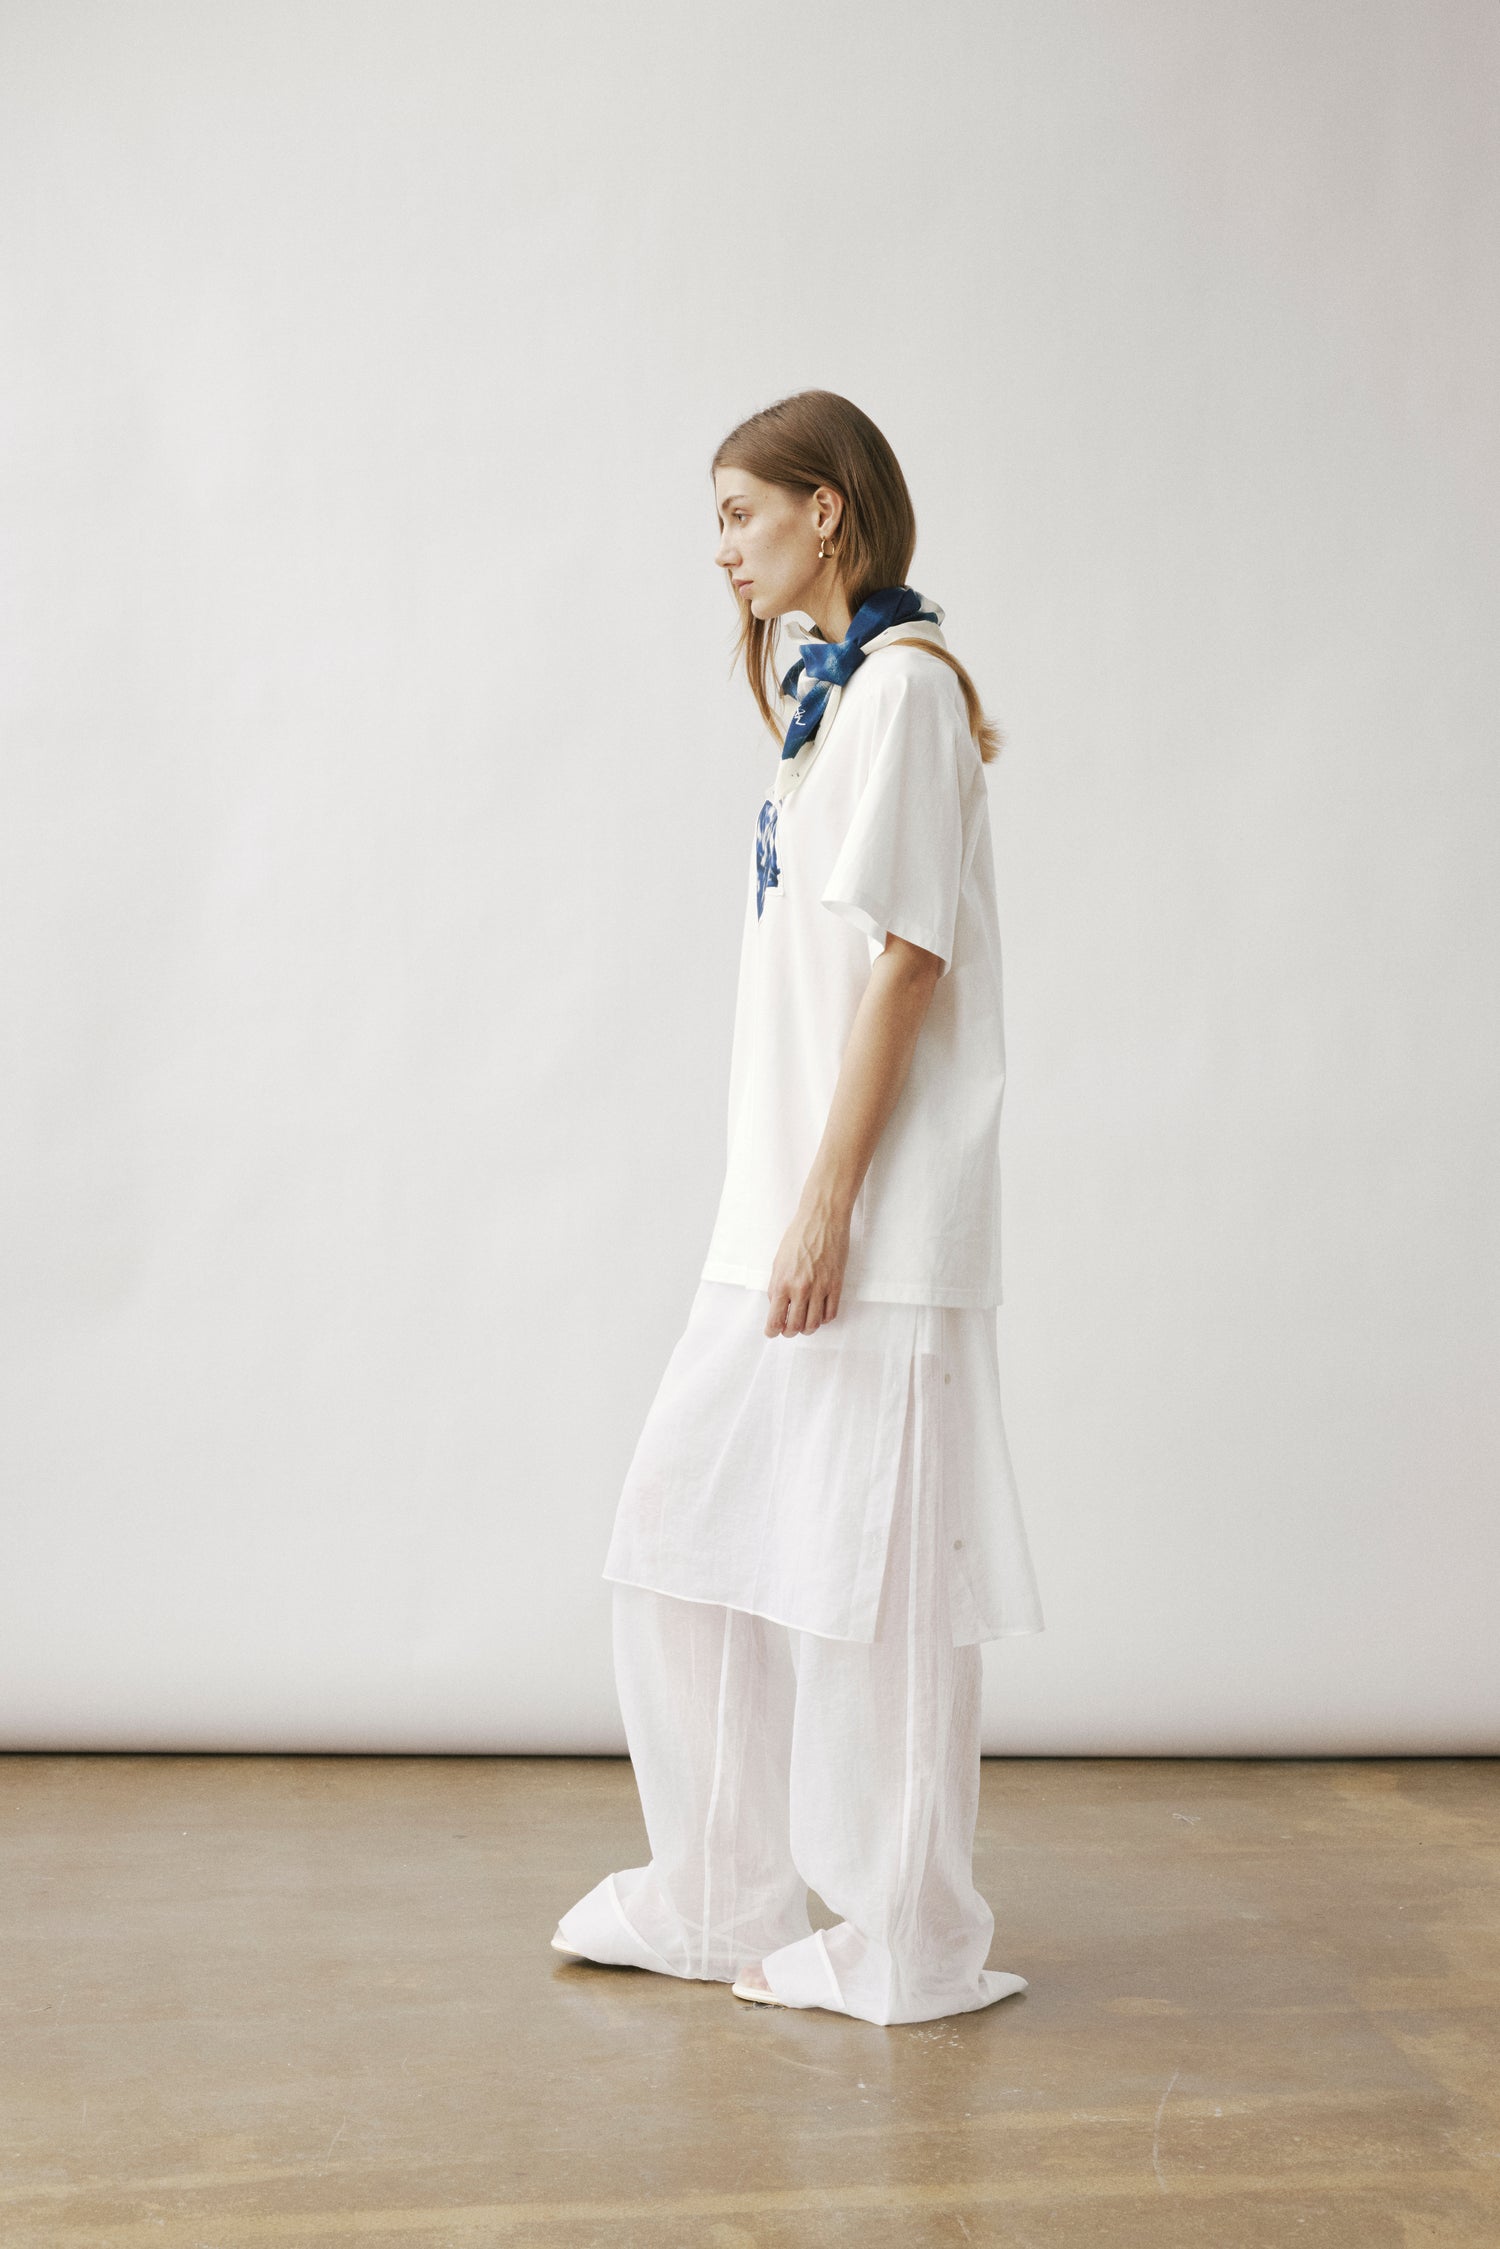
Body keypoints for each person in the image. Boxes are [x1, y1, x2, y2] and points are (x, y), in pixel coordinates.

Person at [553, 388, 1045, 2026]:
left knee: (883, 1596)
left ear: (826, 510)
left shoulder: (905, 691)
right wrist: (787, 1202)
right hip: (777, 1211)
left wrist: (832, 1202)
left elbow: (910, 965)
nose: (722, 550)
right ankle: (718, 1890)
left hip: (873, 1221)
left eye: (739, 514)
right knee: (681, 1535)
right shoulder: (830, 710)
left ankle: (913, 1941)